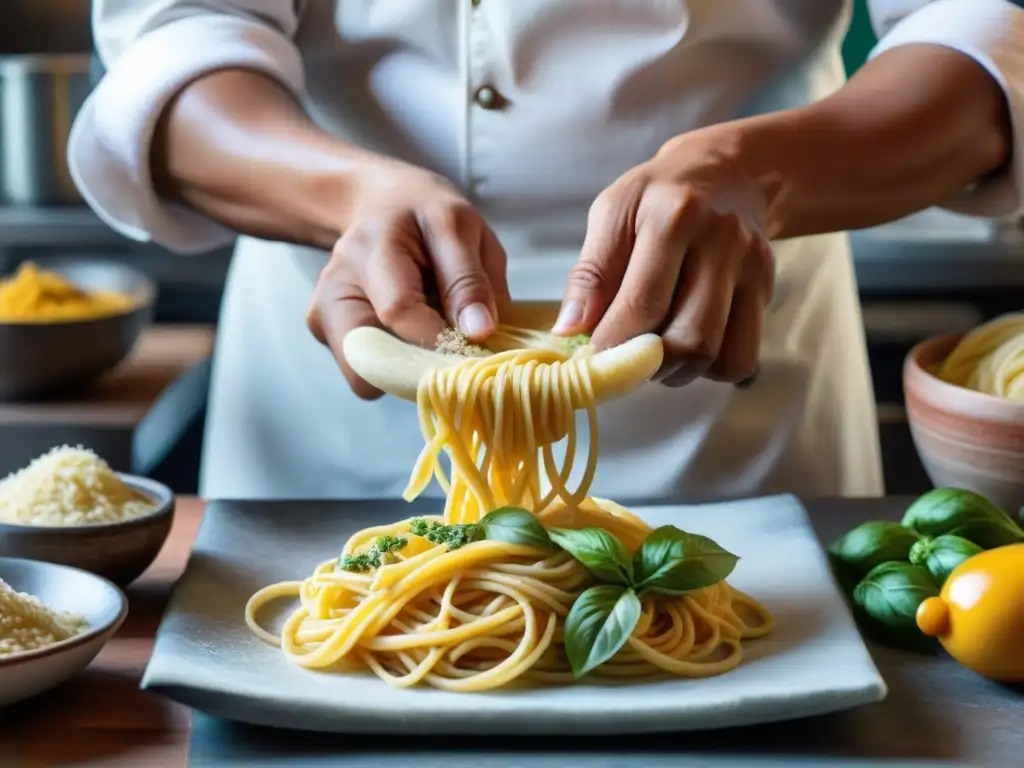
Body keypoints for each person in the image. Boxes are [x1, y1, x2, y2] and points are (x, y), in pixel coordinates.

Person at [70, 1, 1023, 502]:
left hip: (734, 428)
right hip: (330, 424)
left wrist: (761, 172)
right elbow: (175, 41)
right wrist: (339, 194)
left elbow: (981, 38)